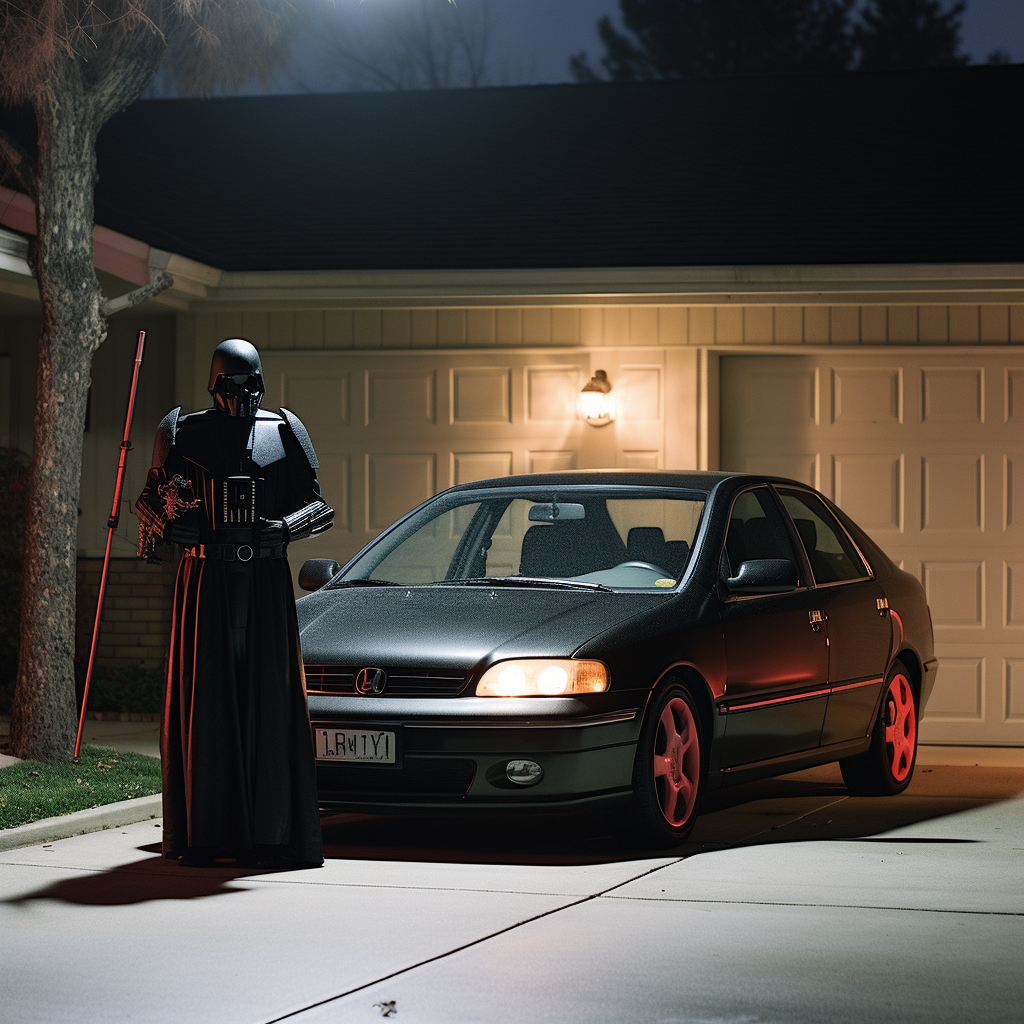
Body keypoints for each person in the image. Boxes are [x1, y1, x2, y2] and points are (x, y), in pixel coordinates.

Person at [135, 338, 333, 868]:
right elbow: (153, 506)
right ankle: (205, 834)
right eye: (232, 386)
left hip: (266, 579)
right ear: (215, 384)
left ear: (261, 384)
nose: (241, 397)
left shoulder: (285, 430)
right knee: (207, 699)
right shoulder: (182, 432)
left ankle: (273, 834)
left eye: (250, 386)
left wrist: (282, 527)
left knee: (270, 699)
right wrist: (169, 521)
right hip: (205, 578)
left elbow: (318, 507)